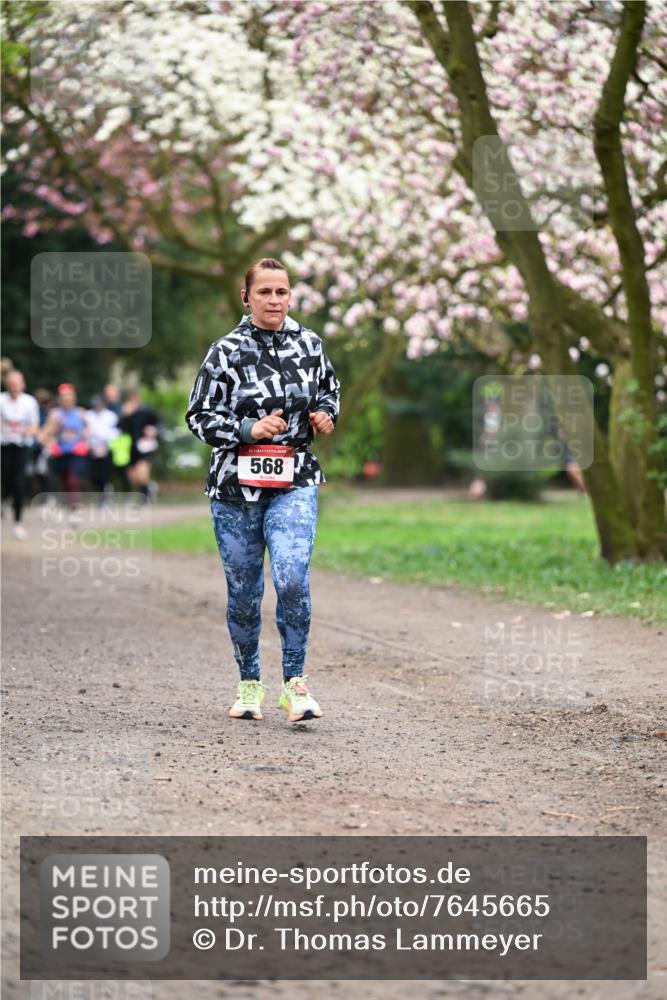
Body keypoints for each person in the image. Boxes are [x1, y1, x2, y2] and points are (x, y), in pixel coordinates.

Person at [185, 256, 340, 723]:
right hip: (235, 487)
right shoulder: (226, 351)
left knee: (292, 578)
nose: (275, 300)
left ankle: (294, 684)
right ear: (246, 296)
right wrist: (248, 429)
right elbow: (199, 415)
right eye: (266, 292)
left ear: (291, 296)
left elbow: (329, 391)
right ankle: (249, 683)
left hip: (293, 480)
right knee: (244, 593)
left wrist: (325, 415)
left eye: (282, 292)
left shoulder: (310, 344)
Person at [1, 370, 40, 539]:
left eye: (17, 384)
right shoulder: (1, 400)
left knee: (19, 483)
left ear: (22, 384)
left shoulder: (29, 402)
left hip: (22, 447)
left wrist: (25, 431)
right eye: (11, 384)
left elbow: (34, 426)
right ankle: (5, 499)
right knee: (6, 480)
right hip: (3, 446)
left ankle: (18, 522)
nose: (14, 387)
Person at [39, 383, 89, 515]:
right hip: (60, 453)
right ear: (60, 399)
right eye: (64, 397)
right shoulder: (55, 414)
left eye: (69, 397)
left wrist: (84, 443)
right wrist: (52, 444)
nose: (67, 400)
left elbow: (88, 432)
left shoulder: (81, 413)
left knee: (73, 480)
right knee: (64, 482)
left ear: (74, 398)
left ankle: (74, 509)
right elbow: (44, 435)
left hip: (76, 453)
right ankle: (69, 506)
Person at [118, 390, 160, 500]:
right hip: (130, 449)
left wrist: (154, 430)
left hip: (145, 448)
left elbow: (159, 424)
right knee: (133, 479)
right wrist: (124, 415)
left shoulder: (147, 411)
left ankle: (145, 498)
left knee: (142, 475)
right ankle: (150, 487)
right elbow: (119, 428)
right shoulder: (126, 413)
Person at [86, 394, 119, 501]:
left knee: (104, 474)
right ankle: (102, 493)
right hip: (92, 449)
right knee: (94, 476)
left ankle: (105, 495)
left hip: (106, 448)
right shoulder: (88, 415)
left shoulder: (111, 416)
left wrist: (104, 442)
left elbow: (115, 433)